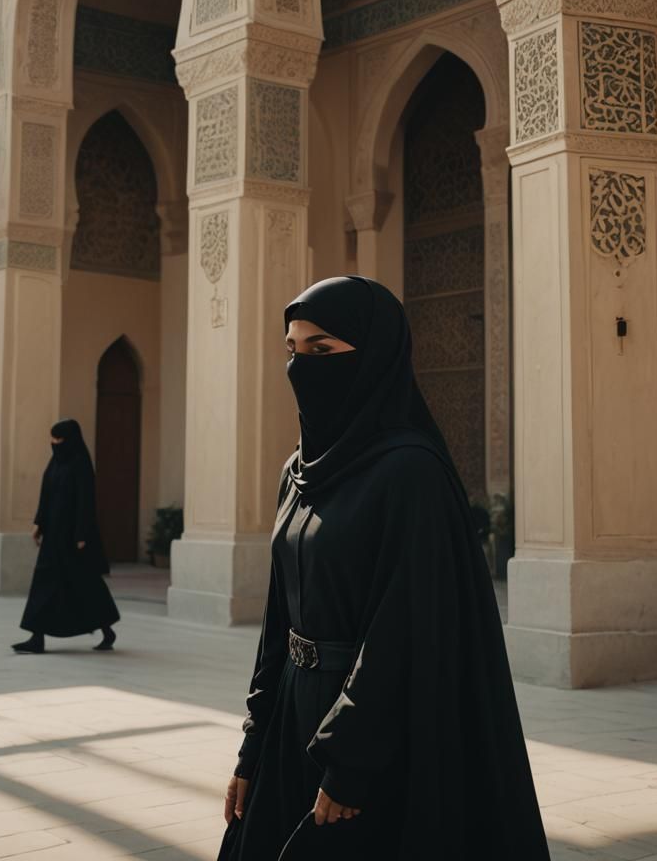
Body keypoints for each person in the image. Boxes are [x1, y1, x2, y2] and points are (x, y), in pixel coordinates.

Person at [217, 277, 549, 860]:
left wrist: (351, 762)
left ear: (372, 358)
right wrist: (252, 749)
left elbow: (401, 633)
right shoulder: (298, 473)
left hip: (372, 733)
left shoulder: (409, 474)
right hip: (291, 718)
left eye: (321, 351)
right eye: (292, 350)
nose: (301, 367)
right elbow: (278, 622)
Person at [12, 419, 120, 654]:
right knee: (44, 582)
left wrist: (82, 534)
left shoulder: (80, 464)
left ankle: (107, 629)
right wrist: (38, 523)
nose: (54, 443)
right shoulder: (56, 463)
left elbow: (85, 502)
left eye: (58, 439)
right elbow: (46, 494)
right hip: (53, 535)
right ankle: (36, 637)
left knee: (85, 584)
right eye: (52, 438)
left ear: (69, 440)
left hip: (73, 539)